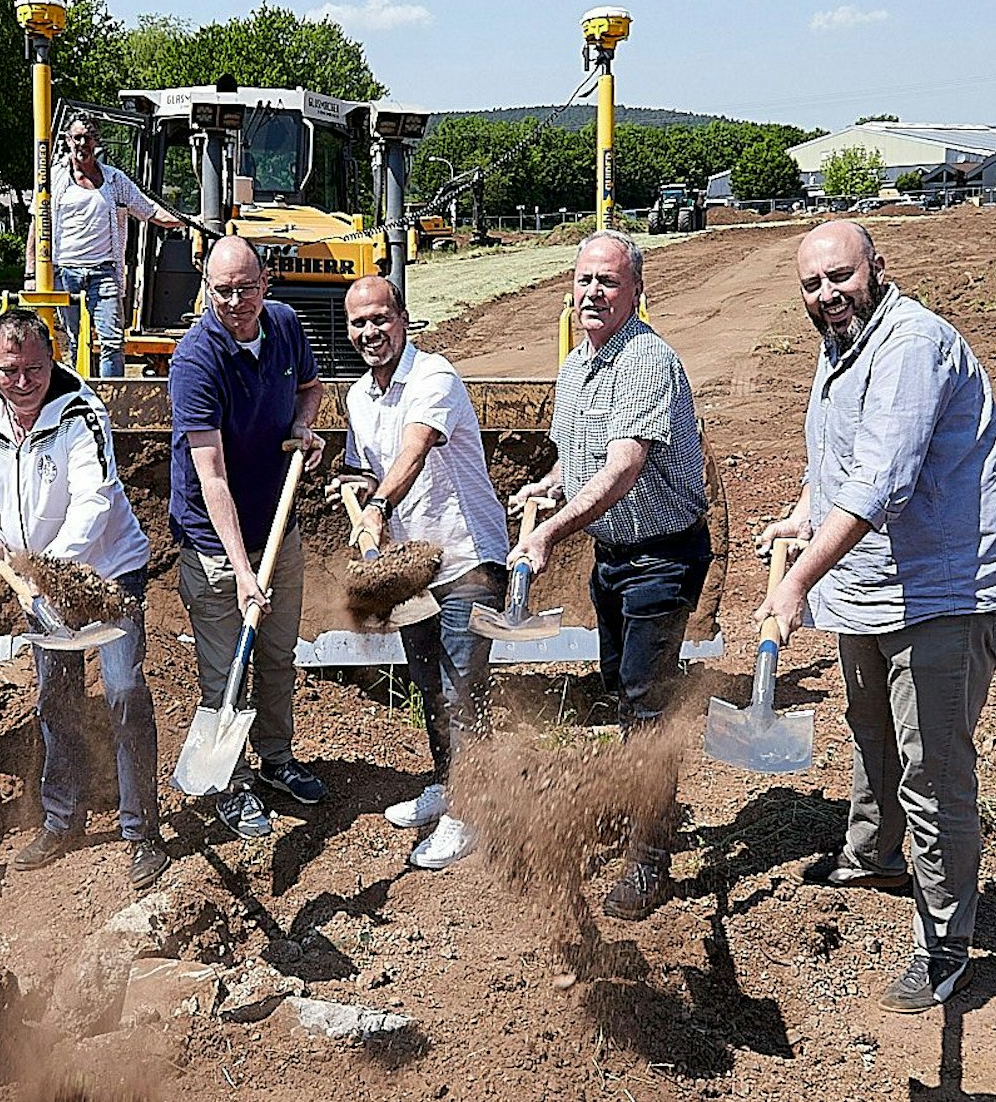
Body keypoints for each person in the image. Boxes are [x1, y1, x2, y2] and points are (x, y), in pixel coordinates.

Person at [754, 221, 996, 1014]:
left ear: (878, 267)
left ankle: (944, 947)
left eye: (840, 276)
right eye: (812, 284)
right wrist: (801, 515)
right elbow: (839, 460)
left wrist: (796, 583)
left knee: (932, 769)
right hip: (874, 586)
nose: (826, 294)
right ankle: (874, 856)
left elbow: (881, 479)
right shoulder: (841, 343)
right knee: (872, 730)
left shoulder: (911, 344)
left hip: (945, 593)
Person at [509, 229, 713, 920]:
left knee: (646, 706)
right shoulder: (576, 365)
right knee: (621, 696)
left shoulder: (647, 361)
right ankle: (639, 809)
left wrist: (547, 533)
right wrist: (545, 485)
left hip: (662, 554)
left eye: (609, 282)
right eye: (584, 280)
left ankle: (650, 861)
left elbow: (624, 467)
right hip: (615, 557)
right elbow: (584, 457)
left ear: (636, 292)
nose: (593, 293)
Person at [0, 310, 170, 889]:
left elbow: (94, 498)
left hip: (105, 574)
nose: (22, 381)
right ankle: (62, 818)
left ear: (54, 359)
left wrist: (52, 568)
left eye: (35, 369)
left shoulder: (81, 411)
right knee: (57, 697)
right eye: (9, 370)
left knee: (122, 689)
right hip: (36, 583)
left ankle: (142, 830)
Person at [327, 275, 509, 870]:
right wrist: (354, 487)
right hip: (409, 570)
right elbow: (369, 466)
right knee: (428, 682)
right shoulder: (358, 397)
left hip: (465, 560)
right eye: (358, 323)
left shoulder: (435, 377)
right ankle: (446, 782)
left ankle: (468, 810)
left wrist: (378, 507)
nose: (369, 332)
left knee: (462, 688)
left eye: (380, 319)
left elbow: (415, 447)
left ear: (403, 319)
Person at [169, 235, 328, 839]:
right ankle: (231, 786)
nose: (236, 301)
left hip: (277, 526)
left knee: (278, 656)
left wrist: (302, 427)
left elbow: (311, 389)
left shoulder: (285, 326)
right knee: (222, 674)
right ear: (207, 290)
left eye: (246, 288)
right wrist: (240, 571)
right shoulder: (195, 360)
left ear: (266, 284)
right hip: (215, 547)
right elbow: (210, 476)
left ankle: (276, 761)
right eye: (222, 290)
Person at [27, 115, 181, 378]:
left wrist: (186, 222)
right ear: (67, 141)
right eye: (77, 138)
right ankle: (83, 394)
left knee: (111, 340)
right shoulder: (54, 178)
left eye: (88, 138)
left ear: (96, 142)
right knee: (77, 340)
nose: (82, 144)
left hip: (104, 271)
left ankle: (111, 396)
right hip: (66, 272)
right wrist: (31, 271)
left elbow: (147, 209)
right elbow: (37, 223)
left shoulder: (113, 179)